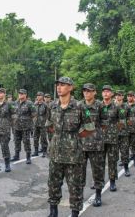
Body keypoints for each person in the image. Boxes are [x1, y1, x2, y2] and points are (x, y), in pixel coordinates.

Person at [46, 77, 95, 217]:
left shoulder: (81, 107)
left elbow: (90, 128)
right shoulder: (52, 106)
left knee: (75, 187)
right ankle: (53, 211)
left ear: (70, 87)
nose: (59, 87)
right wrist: (59, 137)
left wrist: (74, 138)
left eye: (62, 85)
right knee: (53, 184)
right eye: (58, 85)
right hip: (55, 153)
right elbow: (49, 125)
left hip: (74, 156)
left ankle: (74, 213)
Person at [80, 83, 105, 207]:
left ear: (95, 92)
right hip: (81, 144)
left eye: (89, 91)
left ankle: (98, 195)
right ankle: (79, 196)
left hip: (96, 144)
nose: (86, 93)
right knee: (79, 172)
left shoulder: (100, 105)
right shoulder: (79, 105)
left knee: (98, 171)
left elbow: (105, 123)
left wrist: (98, 135)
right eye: (84, 91)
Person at [101, 85, 122, 192]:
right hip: (99, 139)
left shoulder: (117, 107)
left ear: (112, 94)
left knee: (112, 161)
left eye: (108, 91)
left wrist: (114, 131)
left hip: (112, 139)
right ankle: (98, 182)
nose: (106, 93)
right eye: (104, 91)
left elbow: (121, 121)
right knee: (99, 162)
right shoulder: (97, 106)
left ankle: (112, 181)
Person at [11, 89, 36, 164]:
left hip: (26, 127)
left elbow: (34, 114)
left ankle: (28, 157)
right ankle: (16, 155)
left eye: (22, 94)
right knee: (16, 141)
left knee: (26, 142)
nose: (20, 95)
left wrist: (27, 119)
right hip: (16, 126)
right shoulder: (15, 103)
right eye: (19, 94)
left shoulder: (29, 103)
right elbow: (12, 112)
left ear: (25, 95)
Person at [33, 92, 49, 157]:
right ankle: (36, 151)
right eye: (37, 95)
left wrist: (47, 123)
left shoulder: (45, 105)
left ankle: (44, 151)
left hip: (43, 124)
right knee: (35, 138)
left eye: (40, 95)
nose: (38, 97)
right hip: (36, 124)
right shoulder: (35, 104)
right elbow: (33, 113)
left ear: (42, 97)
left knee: (43, 138)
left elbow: (48, 115)